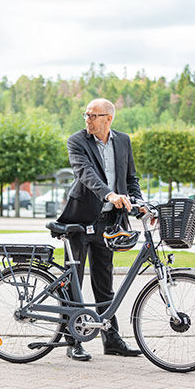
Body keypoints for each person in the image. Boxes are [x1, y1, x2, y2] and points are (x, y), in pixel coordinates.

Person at [57, 98, 143, 361]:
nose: (87, 119)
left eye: (93, 115)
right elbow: (85, 174)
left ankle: (111, 339)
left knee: (104, 283)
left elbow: (130, 179)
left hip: (108, 223)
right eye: (86, 114)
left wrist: (138, 204)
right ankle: (73, 339)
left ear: (109, 119)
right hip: (80, 221)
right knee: (74, 282)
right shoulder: (77, 141)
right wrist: (109, 195)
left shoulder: (123, 141)